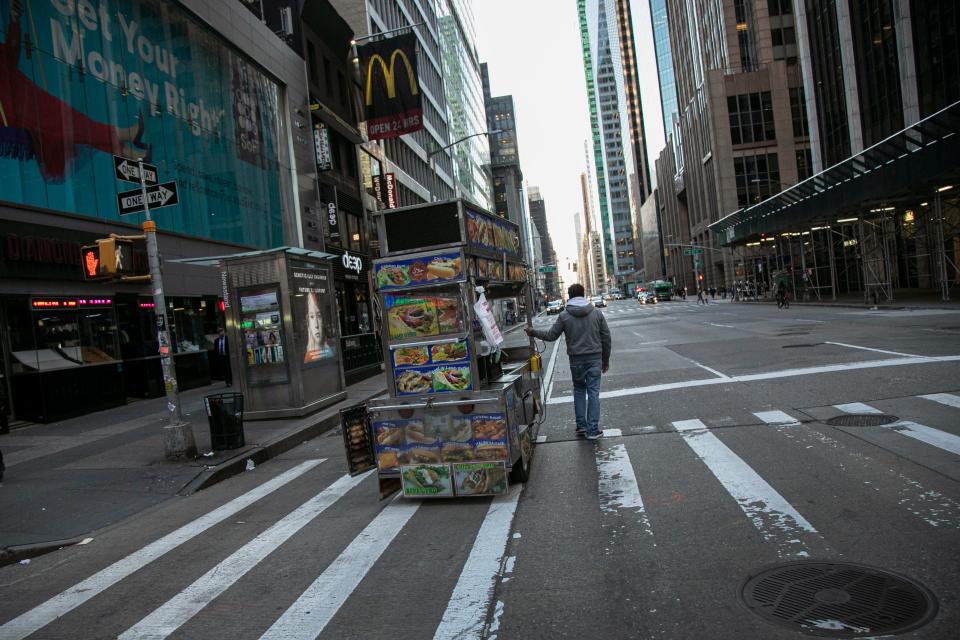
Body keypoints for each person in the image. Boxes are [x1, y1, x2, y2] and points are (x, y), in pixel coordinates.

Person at [0, 0, 149, 181]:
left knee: (70, 126)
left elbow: (8, 57)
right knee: (67, 125)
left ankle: (128, 151)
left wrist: (14, 21)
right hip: (15, 108)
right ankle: (124, 138)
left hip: (22, 96)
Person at [525, 283, 611, 440]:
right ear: (583, 294)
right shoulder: (596, 313)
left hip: (576, 360)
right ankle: (592, 430)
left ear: (570, 296)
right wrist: (605, 360)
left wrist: (533, 332)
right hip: (594, 359)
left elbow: (551, 335)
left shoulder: (564, 315)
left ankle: (581, 426)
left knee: (579, 390)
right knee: (593, 392)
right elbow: (606, 337)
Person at [304, 292, 334, 363]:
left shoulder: (330, 351)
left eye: (319, 316)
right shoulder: (308, 357)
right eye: (312, 317)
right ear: (307, 321)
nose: (316, 325)